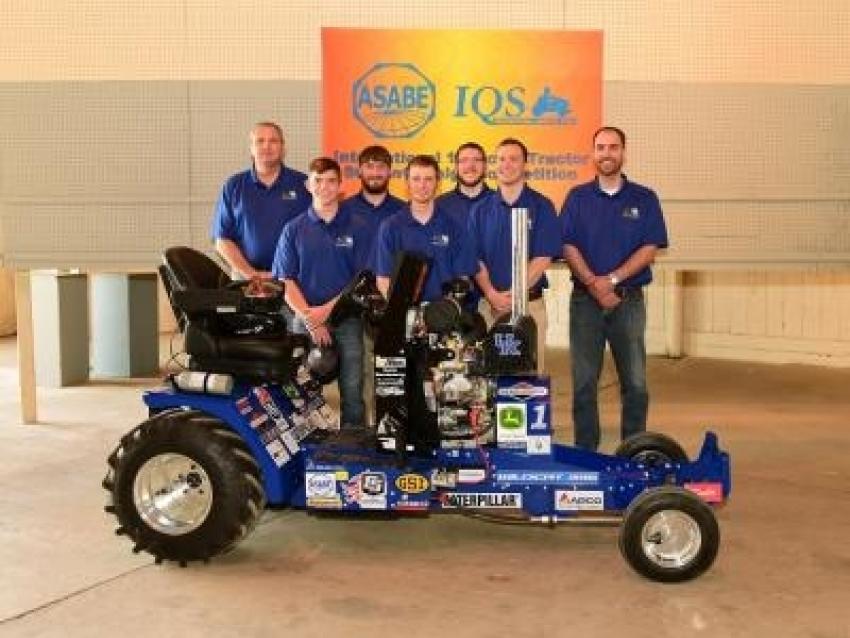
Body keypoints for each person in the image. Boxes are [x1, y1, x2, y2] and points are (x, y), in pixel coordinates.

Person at [561, 126, 669, 451]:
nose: (606, 153)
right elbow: (567, 245)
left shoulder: (644, 198)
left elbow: (650, 248)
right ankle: (586, 451)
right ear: (593, 153)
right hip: (585, 303)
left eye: (613, 147)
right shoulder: (577, 198)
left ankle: (633, 450)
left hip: (628, 302)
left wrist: (611, 281)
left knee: (635, 384)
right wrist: (593, 283)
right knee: (584, 383)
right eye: (600, 147)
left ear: (623, 152)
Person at [272, 157, 371, 429]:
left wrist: (325, 312)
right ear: (308, 185)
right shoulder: (293, 229)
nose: (324, 187)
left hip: (347, 319)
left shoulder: (359, 227)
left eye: (331, 181)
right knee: (299, 388)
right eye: (318, 181)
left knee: (352, 387)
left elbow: (361, 280)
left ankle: (354, 438)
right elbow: (286, 280)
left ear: (340, 186)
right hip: (303, 320)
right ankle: (305, 439)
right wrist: (310, 319)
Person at [468, 138, 561, 371]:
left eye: (513, 159)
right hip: (489, 307)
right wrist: (491, 294)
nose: (506, 164)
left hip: (530, 306)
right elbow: (475, 259)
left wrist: (513, 297)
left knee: (528, 380)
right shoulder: (479, 210)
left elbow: (543, 257)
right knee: (488, 380)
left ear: (525, 165)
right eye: (501, 159)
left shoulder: (542, 206)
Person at [211, 121, 310, 280]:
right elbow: (222, 239)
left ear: (283, 147)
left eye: (273, 141)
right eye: (260, 141)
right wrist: (251, 274)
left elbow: (317, 232)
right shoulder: (234, 186)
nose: (267, 146)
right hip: (246, 278)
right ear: (251, 148)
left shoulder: (303, 184)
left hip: (294, 277)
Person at [374, 155, 478, 302]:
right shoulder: (390, 227)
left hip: (444, 312)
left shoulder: (454, 227)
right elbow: (383, 281)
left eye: (428, 179)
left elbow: (462, 278)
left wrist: (446, 311)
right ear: (407, 183)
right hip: (405, 313)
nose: (422, 185)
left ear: (437, 183)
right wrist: (401, 311)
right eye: (416, 179)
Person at [340, 145, 405, 237]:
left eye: (381, 167)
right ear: (360, 171)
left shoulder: (404, 211)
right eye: (369, 167)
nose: (375, 173)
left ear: (390, 172)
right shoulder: (342, 210)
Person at [436, 141, 491, 225]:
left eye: (476, 160)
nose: (470, 166)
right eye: (464, 160)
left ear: (485, 166)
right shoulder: (439, 205)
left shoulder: (501, 204)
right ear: (456, 167)